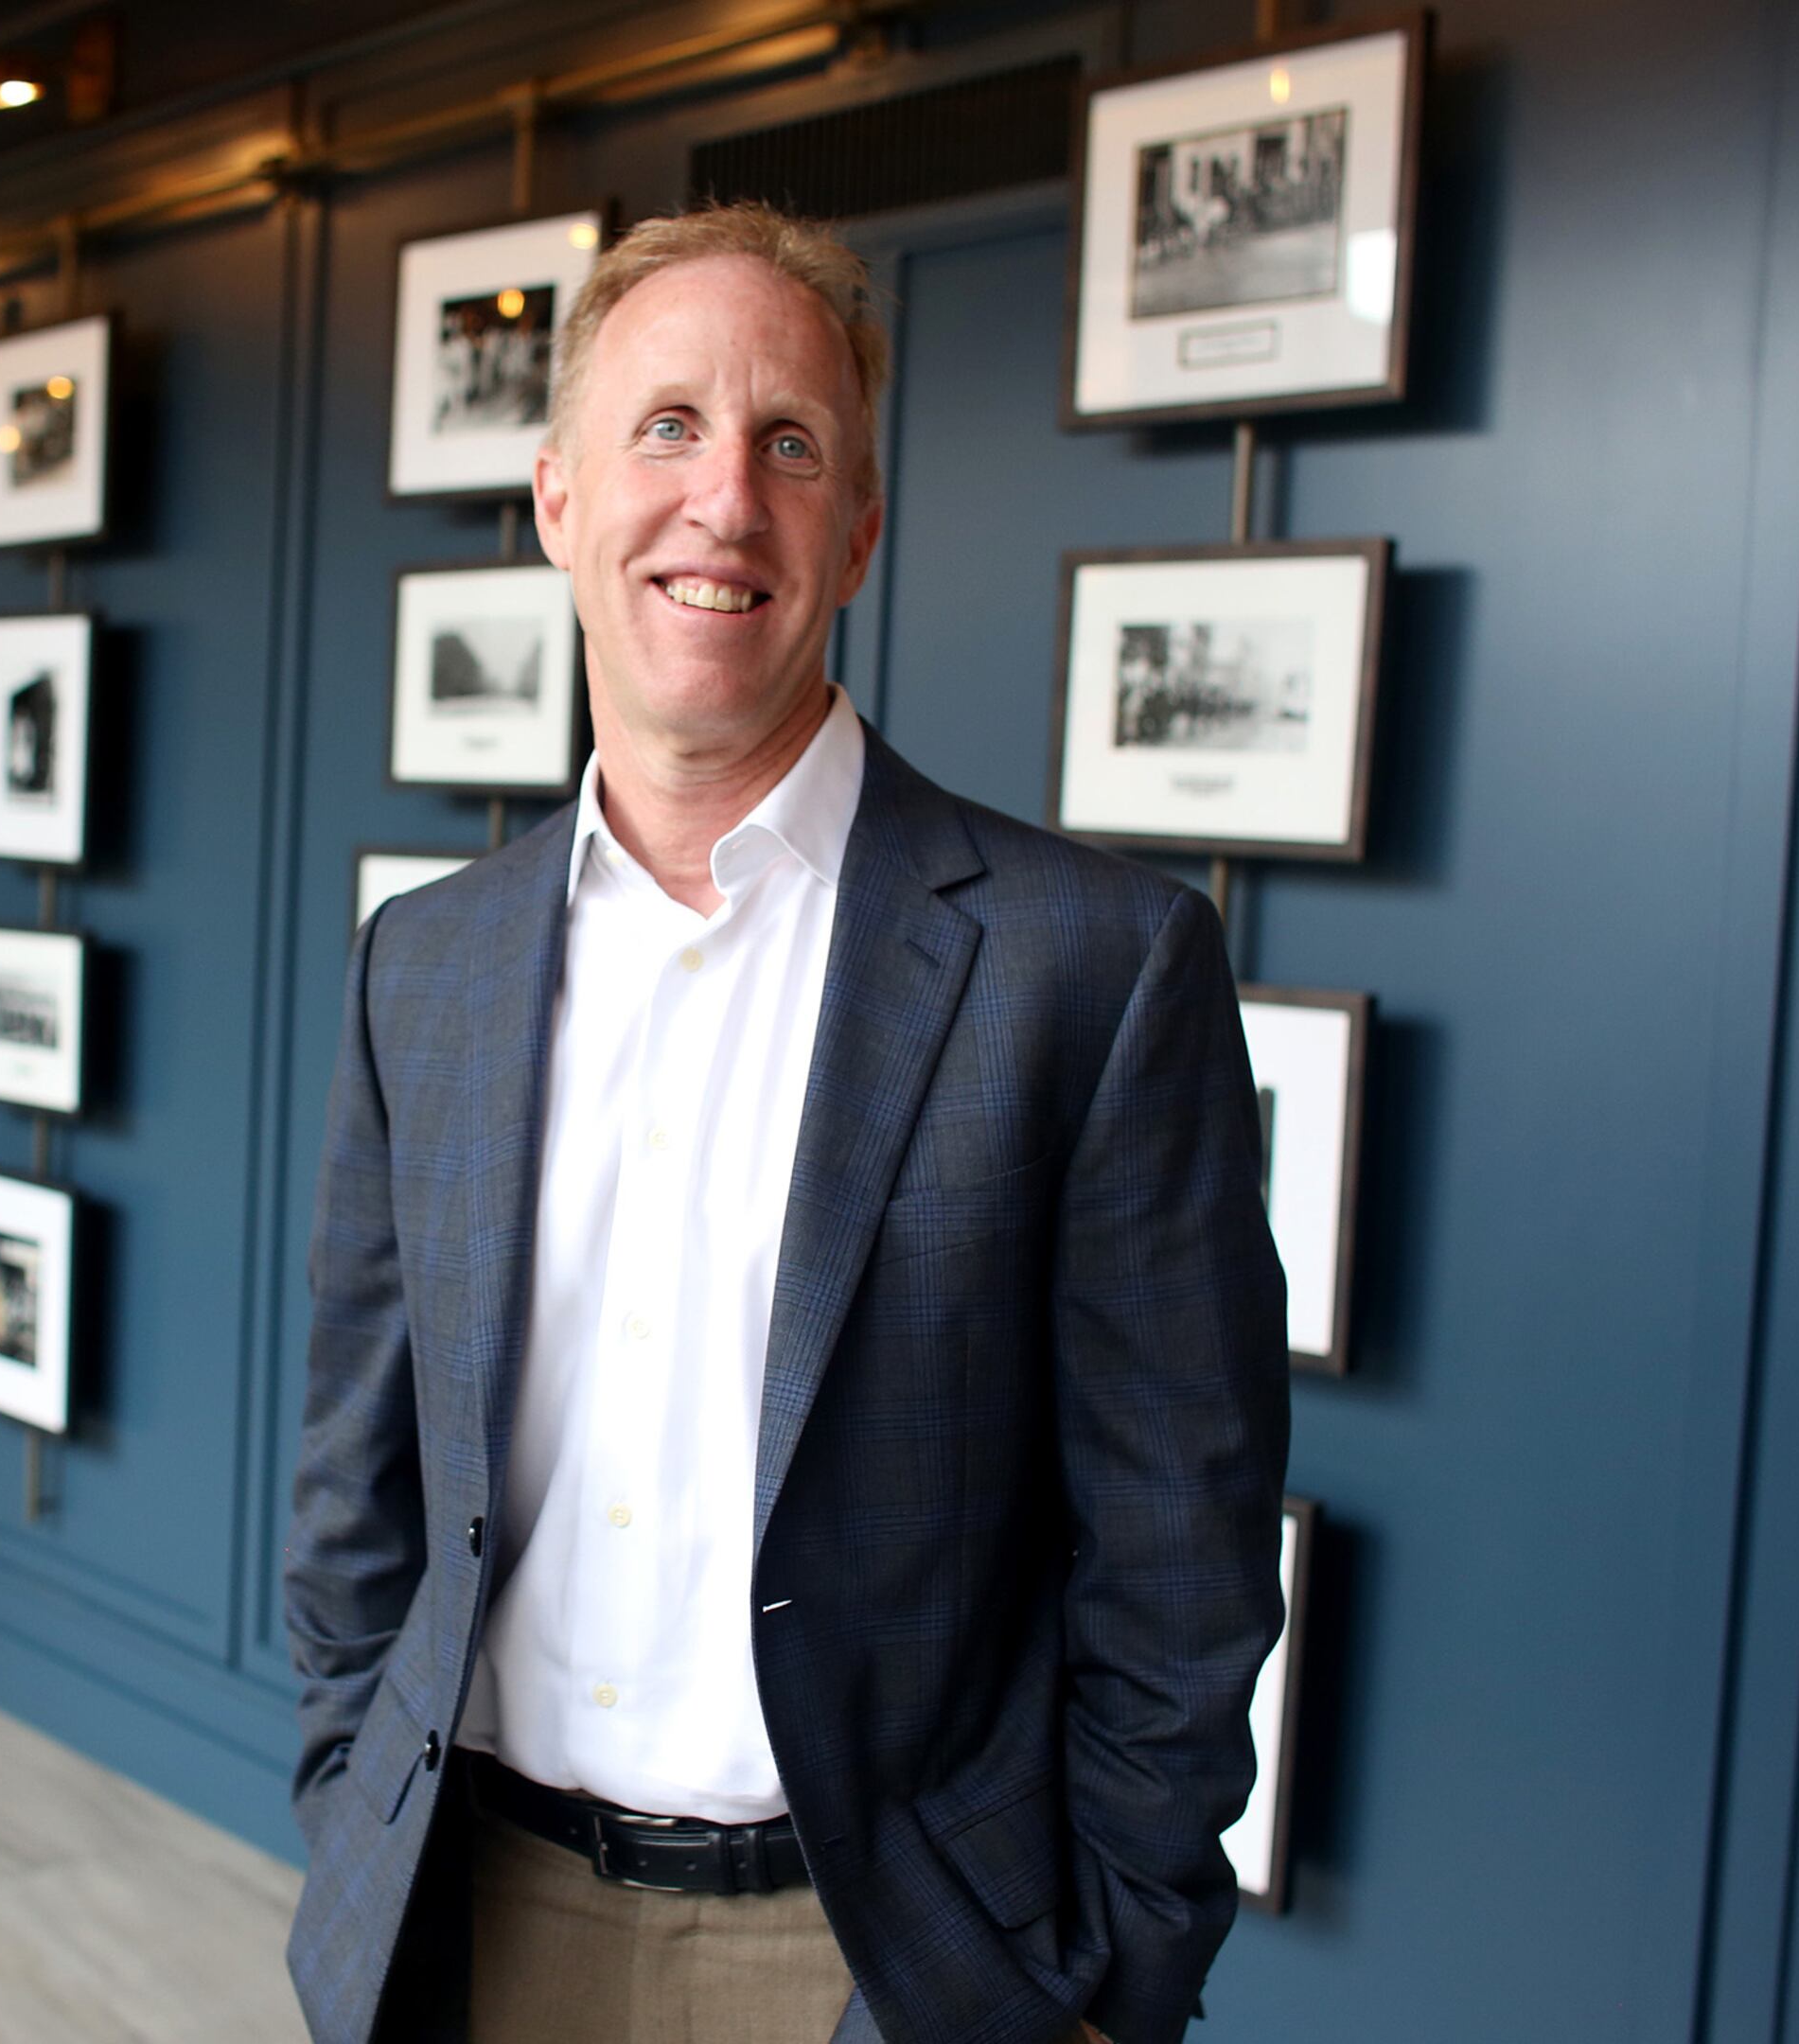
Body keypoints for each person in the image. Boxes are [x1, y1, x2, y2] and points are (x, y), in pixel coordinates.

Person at [284, 203, 1292, 2044]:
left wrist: (1106, 1984)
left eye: (790, 444)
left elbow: (1187, 1547)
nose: (724, 500)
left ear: (860, 531)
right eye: (665, 427)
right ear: (559, 500)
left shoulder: (1095, 968)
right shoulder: (416, 971)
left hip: (884, 1961)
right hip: (468, 1918)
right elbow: (359, 1486)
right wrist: (347, 1794)